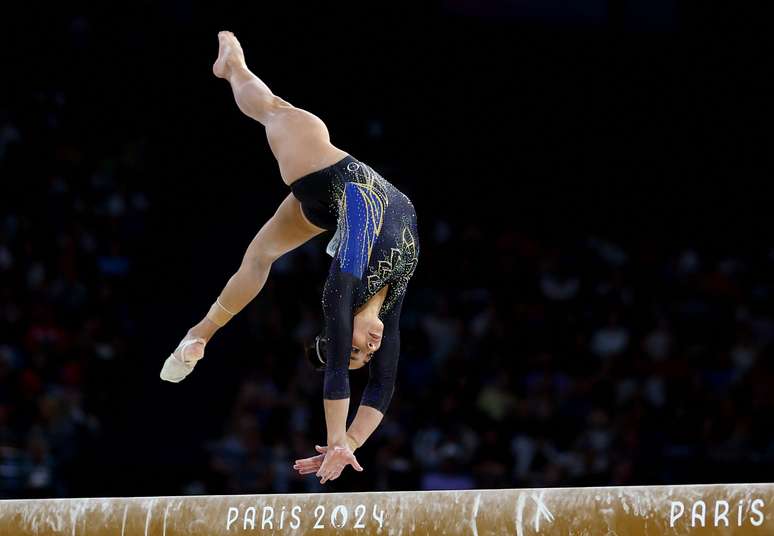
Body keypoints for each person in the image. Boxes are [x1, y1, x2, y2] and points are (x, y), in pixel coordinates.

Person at [159, 32, 419, 484]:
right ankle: (198, 334)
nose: (370, 348)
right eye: (366, 353)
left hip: (325, 174)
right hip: (338, 206)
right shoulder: (389, 304)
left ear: (340, 332)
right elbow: (382, 386)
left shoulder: (346, 283)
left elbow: (337, 369)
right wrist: (351, 445)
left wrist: (337, 439)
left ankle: (233, 68)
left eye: (355, 347)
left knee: (274, 112)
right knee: (261, 252)